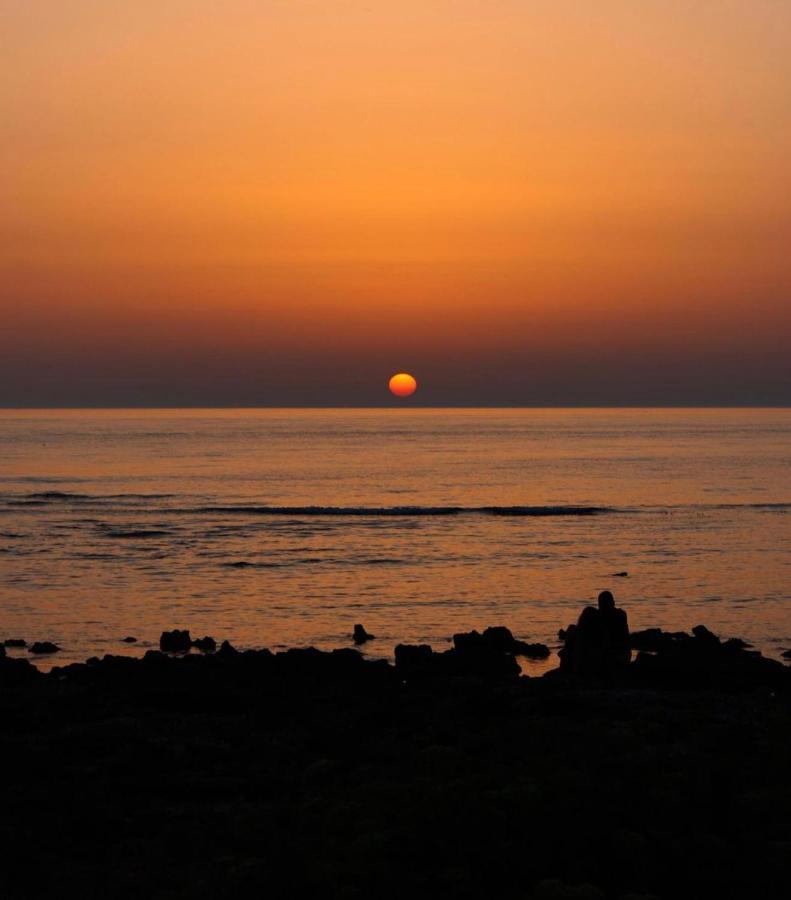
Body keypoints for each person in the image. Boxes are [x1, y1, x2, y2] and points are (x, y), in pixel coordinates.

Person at [559, 591, 630, 681]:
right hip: (614, 653)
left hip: (615, 655)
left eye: (603, 604)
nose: (602, 607)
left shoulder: (610, 616)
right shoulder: (614, 615)